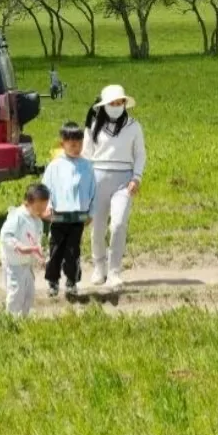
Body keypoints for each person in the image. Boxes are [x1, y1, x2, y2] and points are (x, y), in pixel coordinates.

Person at [82, 84, 146, 291]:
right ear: (104, 105)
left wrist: (136, 178)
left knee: (118, 224)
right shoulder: (93, 126)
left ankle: (115, 270)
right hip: (97, 179)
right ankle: (99, 265)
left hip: (123, 181)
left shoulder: (134, 126)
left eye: (120, 103)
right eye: (112, 103)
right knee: (98, 227)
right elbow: (86, 154)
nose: (117, 106)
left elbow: (140, 154)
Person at [43, 121, 96, 299]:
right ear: (62, 143)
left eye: (79, 144)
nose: (76, 147)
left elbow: (93, 191)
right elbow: (46, 189)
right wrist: (48, 206)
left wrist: (91, 212)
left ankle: (72, 282)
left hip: (78, 217)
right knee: (56, 251)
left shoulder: (87, 166)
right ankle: (53, 281)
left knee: (73, 252)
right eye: (72, 144)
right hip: (58, 216)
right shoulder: (55, 166)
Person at [0, 184, 50, 317]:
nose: (41, 212)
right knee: (16, 291)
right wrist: (19, 246)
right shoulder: (17, 217)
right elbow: (6, 236)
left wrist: (40, 257)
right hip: (14, 262)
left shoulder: (38, 221)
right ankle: (11, 319)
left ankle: (24, 317)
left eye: (44, 208)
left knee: (29, 292)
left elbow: (35, 243)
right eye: (38, 208)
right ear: (27, 203)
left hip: (27, 263)